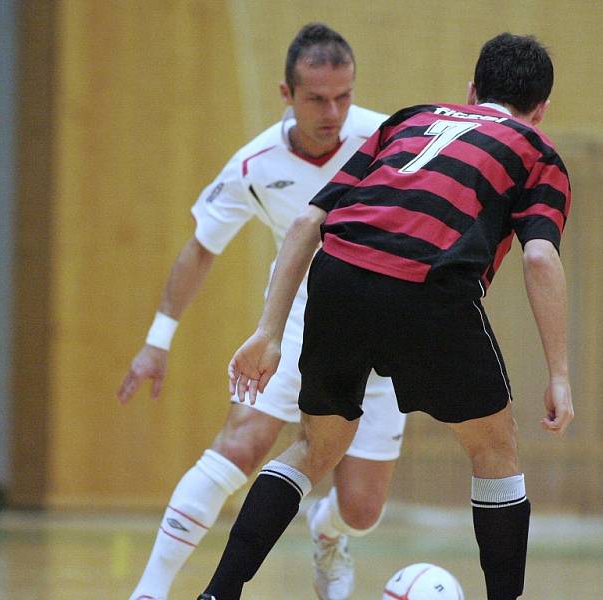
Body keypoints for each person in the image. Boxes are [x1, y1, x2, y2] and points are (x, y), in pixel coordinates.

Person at [198, 32, 575, 600]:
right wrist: (560, 375)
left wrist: (268, 333)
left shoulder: (410, 119)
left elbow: (306, 224)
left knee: (314, 448)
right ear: (540, 109)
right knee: (494, 449)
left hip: (339, 277)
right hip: (430, 289)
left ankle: (216, 594)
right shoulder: (536, 150)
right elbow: (541, 257)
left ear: (472, 91)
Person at [117, 23, 406, 600]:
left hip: (378, 335)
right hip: (296, 322)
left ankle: (327, 531)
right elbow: (201, 246)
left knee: (363, 508)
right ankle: (148, 591)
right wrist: (158, 339)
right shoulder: (254, 166)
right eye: (317, 98)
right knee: (241, 443)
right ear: (286, 94)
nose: (334, 112)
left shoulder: (386, 139)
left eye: (344, 96)